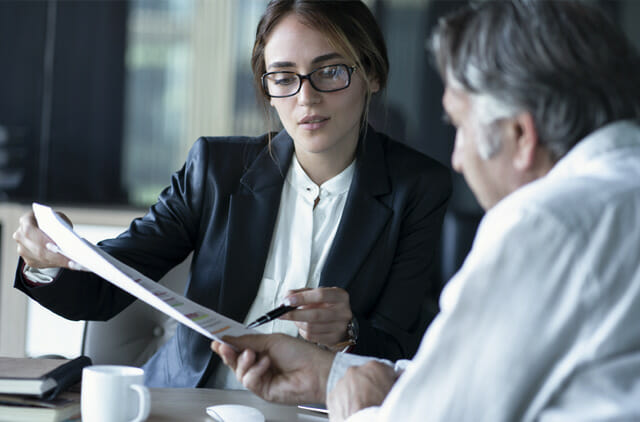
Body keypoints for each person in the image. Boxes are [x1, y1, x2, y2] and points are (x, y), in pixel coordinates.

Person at [211, 0, 640, 420]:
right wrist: (330, 374)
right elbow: (474, 378)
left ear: (519, 134)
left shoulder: (545, 224)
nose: (457, 158)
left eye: (460, 126)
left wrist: (357, 407)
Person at [12, 0, 452, 389]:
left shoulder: (417, 188)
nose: (307, 98)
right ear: (267, 88)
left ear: (372, 74)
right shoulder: (216, 169)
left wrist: (349, 331)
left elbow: (403, 348)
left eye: (330, 72)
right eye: (283, 77)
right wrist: (45, 260)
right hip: (189, 404)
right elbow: (104, 290)